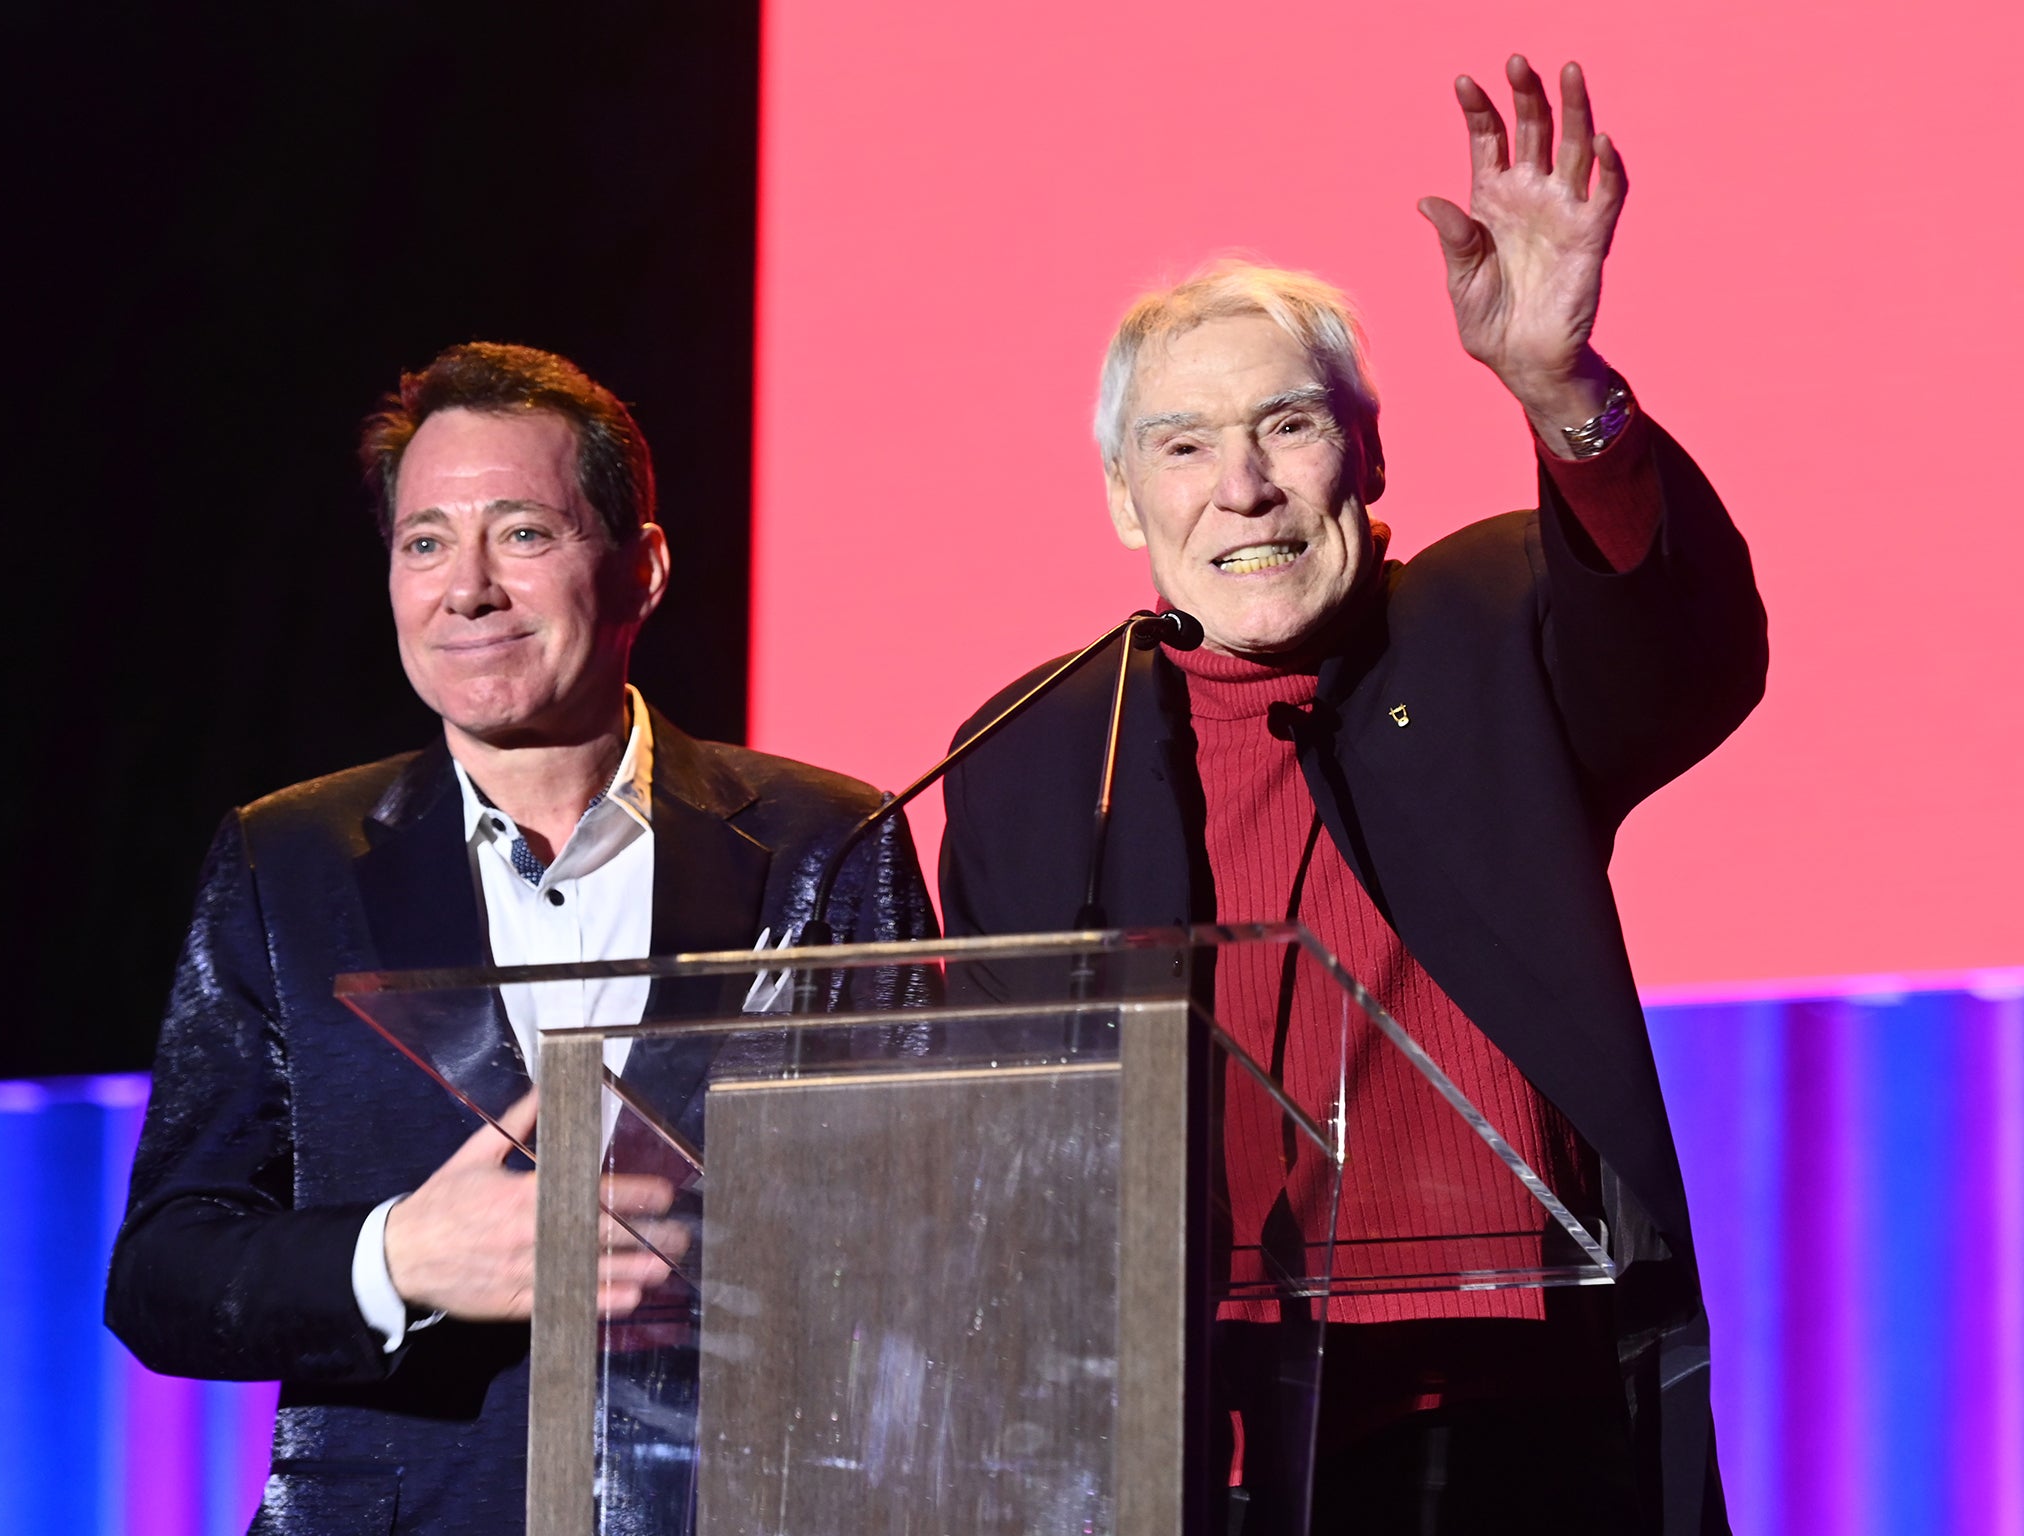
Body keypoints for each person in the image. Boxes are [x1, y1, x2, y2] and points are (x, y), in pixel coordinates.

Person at [939, 57, 1766, 1534]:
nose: (1240, 487)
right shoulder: (1036, 753)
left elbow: (1679, 647)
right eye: (1181, 447)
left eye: (1289, 426)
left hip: (1514, 1407)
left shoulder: (1489, 619)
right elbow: (1003, 1152)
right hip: (1194, 1439)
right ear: (1128, 501)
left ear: (1370, 457)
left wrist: (1558, 386)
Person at [105, 343, 935, 1534]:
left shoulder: (828, 841)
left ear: (640, 569)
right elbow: (164, 1276)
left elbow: (938, 1237)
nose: (468, 588)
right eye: (425, 542)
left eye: (525, 535)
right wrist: (394, 1260)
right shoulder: (285, 861)